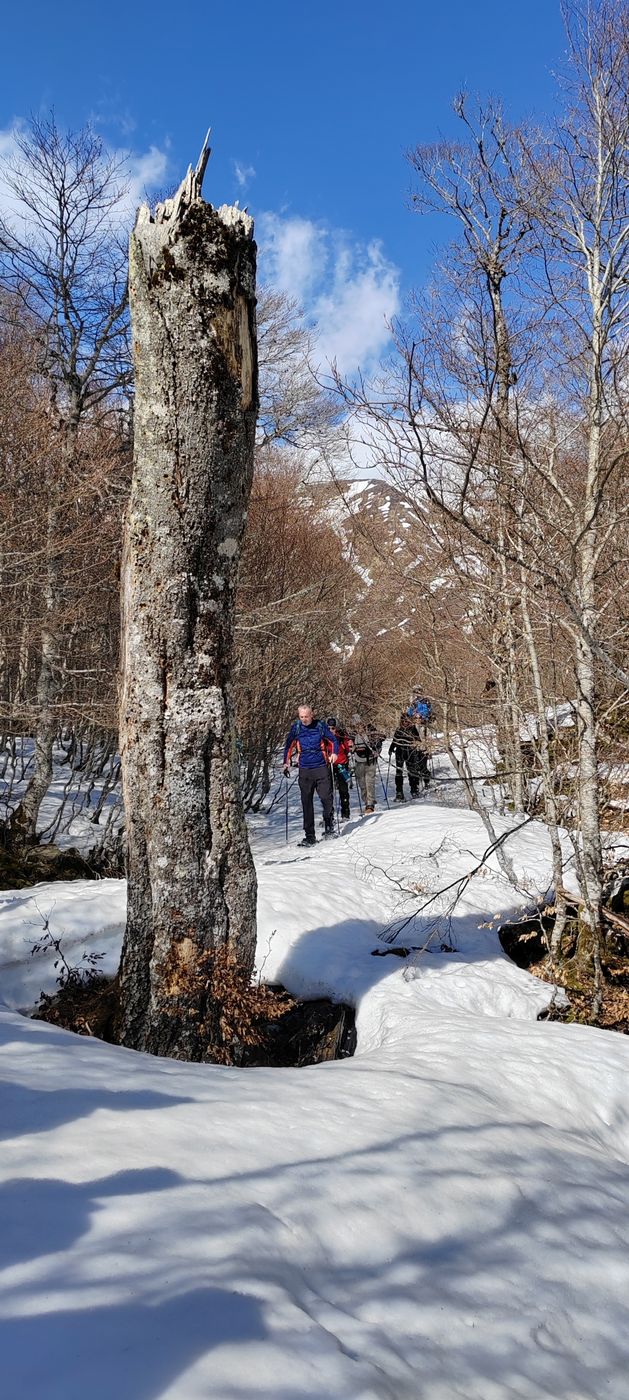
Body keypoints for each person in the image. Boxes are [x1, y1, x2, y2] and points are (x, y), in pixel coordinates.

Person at [283, 704, 339, 846]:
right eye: (301, 717)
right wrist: (286, 762)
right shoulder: (296, 728)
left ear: (311, 715)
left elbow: (333, 740)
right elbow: (289, 745)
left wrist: (334, 753)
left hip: (321, 767)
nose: (304, 719)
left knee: (326, 798)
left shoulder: (320, 726)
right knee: (306, 803)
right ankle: (309, 836)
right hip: (305, 769)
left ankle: (329, 826)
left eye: (306, 716)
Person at [389, 712, 430, 801]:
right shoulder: (399, 730)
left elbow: (418, 740)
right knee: (399, 773)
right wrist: (391, 749)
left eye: (407, 721)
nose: (405, 723)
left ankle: (414, 789)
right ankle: (399, 792)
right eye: (403, 721)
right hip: (399, 753)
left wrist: (416, 745)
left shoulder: (412, 729)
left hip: (410, 753)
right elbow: (394, 741)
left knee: (412, 772)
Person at [351, 715, 384, 815]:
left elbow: (380, 741)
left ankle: (370, 804)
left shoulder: (371, 731)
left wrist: (377, 750)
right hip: (358, 761)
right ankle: (366, 801)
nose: (358, 726)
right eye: (356, 725)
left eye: (359, 724)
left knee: (369, 782)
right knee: (362, 784)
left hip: (370, 760)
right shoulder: (352, 734)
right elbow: (349, 746)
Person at [325, 717, 352, 820]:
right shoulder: (324, 737)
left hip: (341, 764)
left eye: (333, 728)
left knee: (343, 789)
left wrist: (349, 748)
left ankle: (345, 813)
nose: (331, 730)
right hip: (329, 765)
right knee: (328, 791)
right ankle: (329, 815)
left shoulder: (341, 736)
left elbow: (347, 748)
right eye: (329, 728)